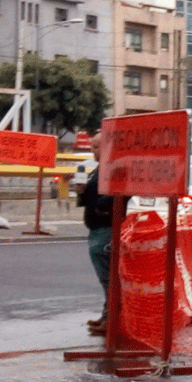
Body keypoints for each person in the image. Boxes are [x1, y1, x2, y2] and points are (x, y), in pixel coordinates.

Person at [74, 134, 113, 336]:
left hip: (105, 229)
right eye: (92, 146)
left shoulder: (112, 168)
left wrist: (102, 207)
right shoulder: (98, 170)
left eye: (97, 146)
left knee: (109, 278)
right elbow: (88, 196)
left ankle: (111, 319)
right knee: (105, 278)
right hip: (96, 228)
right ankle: (107, 316)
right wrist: (82, 191)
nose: (93, 150)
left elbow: (116, 194)